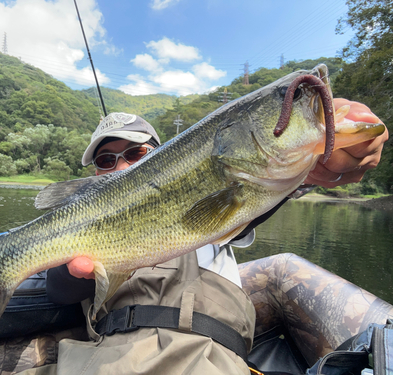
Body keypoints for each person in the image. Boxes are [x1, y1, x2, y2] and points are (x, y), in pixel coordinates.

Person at [38, 100, 387, 375]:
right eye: (106, 159)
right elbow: (58, 289)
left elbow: (259, 186)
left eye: (135, 153)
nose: (120, 166)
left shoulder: (212, 201)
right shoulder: (78, 223)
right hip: (108, 361)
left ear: (166, 158)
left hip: (209, 360)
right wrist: (74, 273)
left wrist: (316, 155)